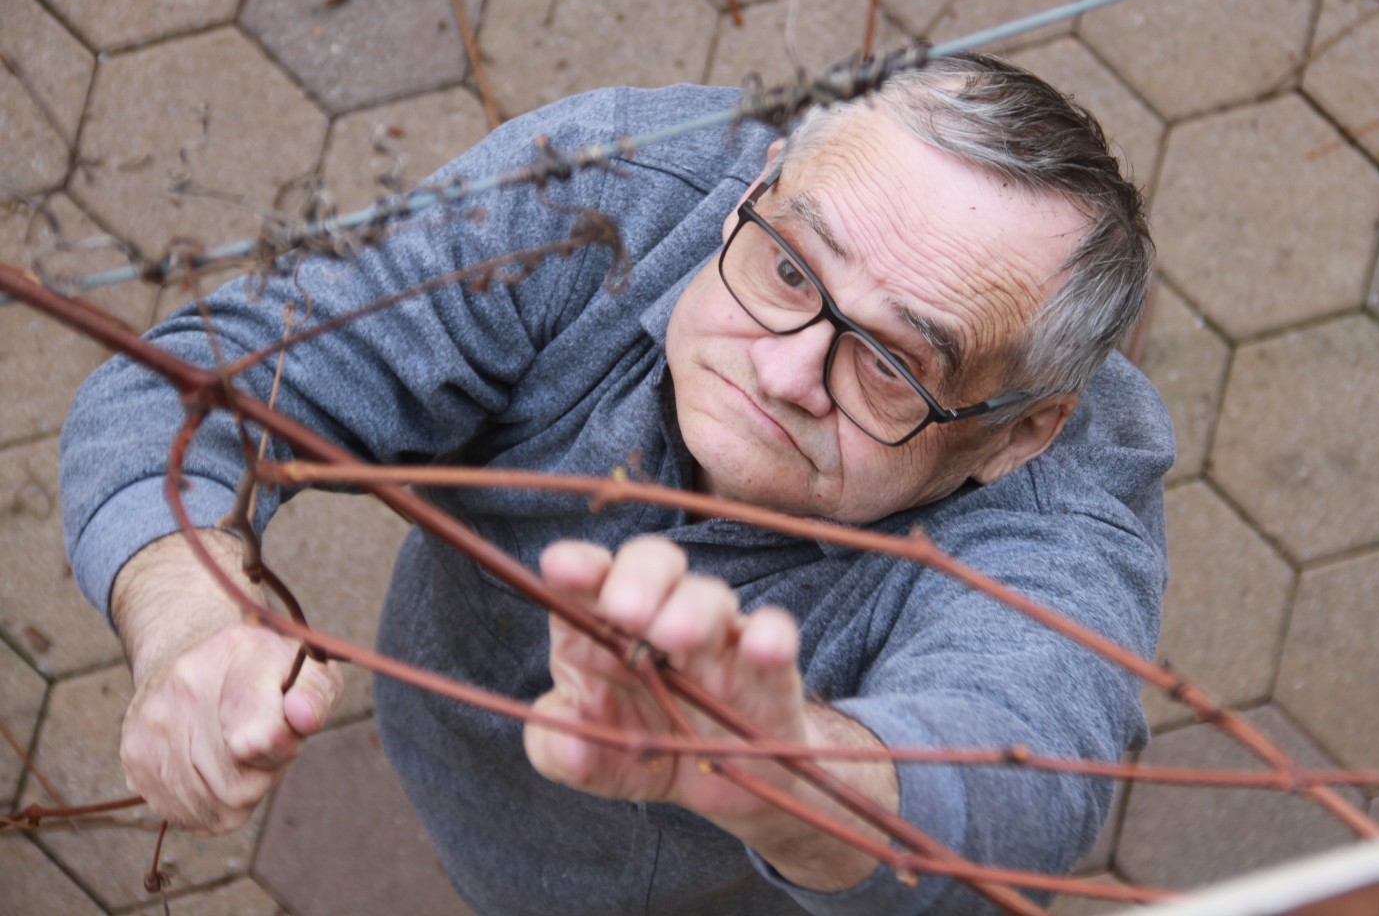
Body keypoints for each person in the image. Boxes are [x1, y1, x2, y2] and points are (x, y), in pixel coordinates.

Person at [61, 52, 1172, 915]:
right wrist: (191, 613)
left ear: (1021, 432)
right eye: (791, 269)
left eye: (891, 364)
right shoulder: (604, 192)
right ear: (755, 187)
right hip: (448, 746)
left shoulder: (1066, 525)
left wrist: (785, 773)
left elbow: (1018, 786)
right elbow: (184, 391)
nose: (785, 371)